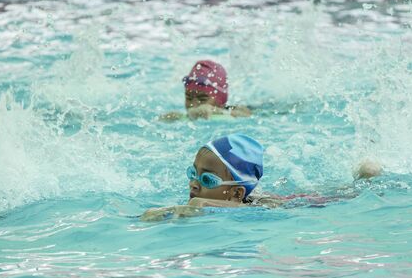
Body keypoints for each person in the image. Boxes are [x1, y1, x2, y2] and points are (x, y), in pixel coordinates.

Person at [140, 134, 382, 222]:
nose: (194, 184)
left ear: (236, 193)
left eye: (207, 180)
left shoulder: (232, 205)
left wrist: (183, 207)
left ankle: (362, 180)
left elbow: (199, 205)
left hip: (297, 203)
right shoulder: (228, 200)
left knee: (339, 194)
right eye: (194, 173)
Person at [160, 60, 251, 121]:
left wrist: (215, 110)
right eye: (189, 97)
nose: (194, 105)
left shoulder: (235, 110)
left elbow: (247, 115)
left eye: (202, 98)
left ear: (220, 99)